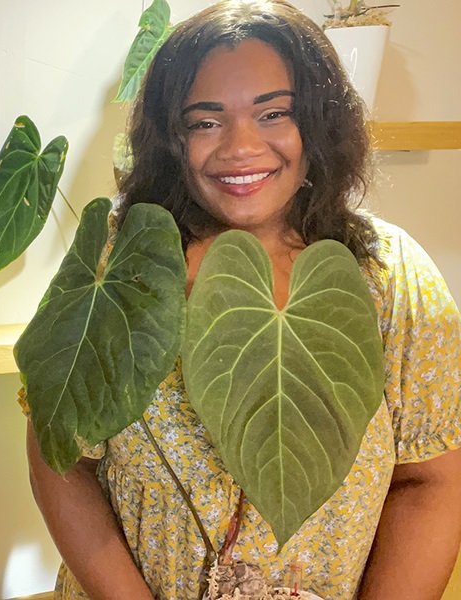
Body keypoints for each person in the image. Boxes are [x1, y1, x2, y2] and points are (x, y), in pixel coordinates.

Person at [23, 1, 461, 598]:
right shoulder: (120, 267)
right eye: (205, 121)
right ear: (171, 138)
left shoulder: (391, 275)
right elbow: (61, 457)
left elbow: (430, 481)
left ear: (320, 122)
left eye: (275, 112)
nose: (240, 147)